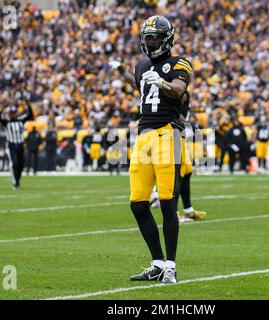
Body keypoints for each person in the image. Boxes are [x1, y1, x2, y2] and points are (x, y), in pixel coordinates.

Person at [115, 15, 192, 284]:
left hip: (166, 134)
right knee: (138, 203)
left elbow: (178, 90)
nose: (150, 41)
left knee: (168, 203)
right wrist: (122, 73)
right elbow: (143, 92)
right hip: (144, 135)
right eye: (147, 37)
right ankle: (157, 262)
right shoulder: (141, 66)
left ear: (167, 38)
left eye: (155, 37)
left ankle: (170, 265)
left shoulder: (179, 63)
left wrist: (164, 84)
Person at [0, 104, 34, 190]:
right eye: (11, 113)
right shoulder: (6, 122)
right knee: (14, 163)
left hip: (20, 144)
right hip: (11, 145)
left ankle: (17, 180)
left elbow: (30, 116)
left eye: (14, 113)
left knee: (21, 164)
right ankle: (15, 182)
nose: (13, 115)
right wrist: (2, 109)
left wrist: (28, 105)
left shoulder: (21, 120)